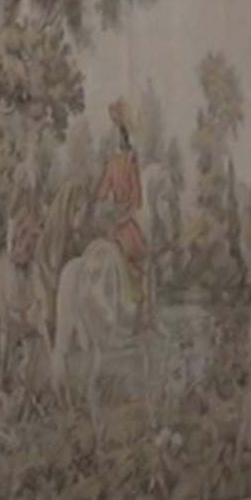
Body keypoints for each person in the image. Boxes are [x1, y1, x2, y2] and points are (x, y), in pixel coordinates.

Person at [100, 102, 153, 330]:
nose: (117, 140)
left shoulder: (120, 162)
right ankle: (140, 311)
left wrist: (116, 212)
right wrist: (115, 212)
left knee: (135, 255)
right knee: (140, 258)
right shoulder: (121, 162)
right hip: (119, 220)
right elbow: (132, 197)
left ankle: (138, 309)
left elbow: (107, 193)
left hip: (119, 219)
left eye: (118, 135)